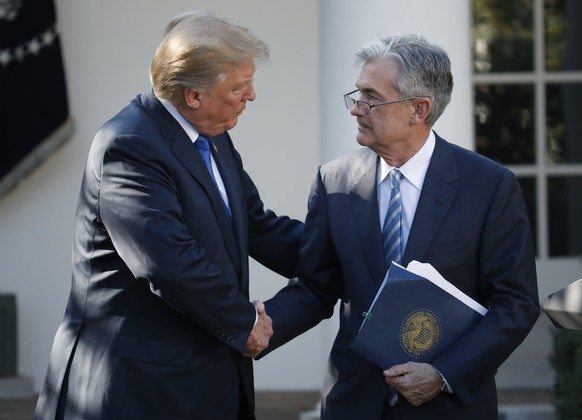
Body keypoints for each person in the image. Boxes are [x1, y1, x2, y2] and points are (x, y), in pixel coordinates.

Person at [33, 11, 302, 420]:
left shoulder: (214, 137)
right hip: (134, 388)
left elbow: (256, 225)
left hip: (200, 383)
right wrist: (245, 321)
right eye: (240, 86)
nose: (251, 96)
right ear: (192, 95)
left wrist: (345, 252)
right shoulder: (129, 145)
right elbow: (168, 262)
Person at [260, 34, 540, 419]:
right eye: (356, 94)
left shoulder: (489, 185)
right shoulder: (334, 180)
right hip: (353, 402)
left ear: (418, 109)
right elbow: (316, 285)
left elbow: (516, 304)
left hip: (447, 405)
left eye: (371, 97)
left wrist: (442, 373)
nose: (356, 108)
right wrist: (255, 327)